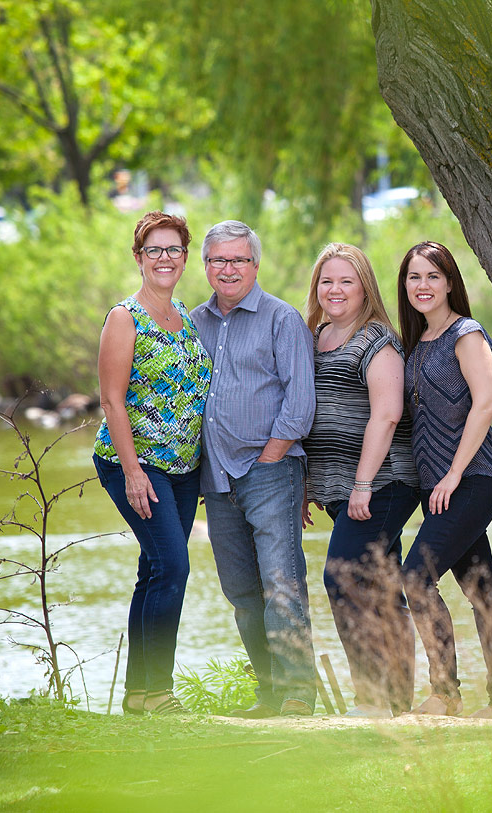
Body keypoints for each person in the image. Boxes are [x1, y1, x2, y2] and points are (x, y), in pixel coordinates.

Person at [190, 220, 318, 718]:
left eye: (238, 260)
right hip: (216, 479)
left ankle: (296, 695)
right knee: (243, 593)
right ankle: (268, 695)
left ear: (255, 265)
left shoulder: (281, 319)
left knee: (281, 585)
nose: (228, 269)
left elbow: (299, 403)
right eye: (218, 260)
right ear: (205, 267)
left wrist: (268, 459)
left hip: (270, 471)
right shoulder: (192, 322)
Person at [94, 210, 212, 715]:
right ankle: (160, 693)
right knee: (173, 566)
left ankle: (139, 696)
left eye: (174, 250)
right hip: (134, 463)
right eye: (154, 250)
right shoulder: (126, 317)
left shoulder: (186, 315)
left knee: (154, 570)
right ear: (139, 258)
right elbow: (112, 401)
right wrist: (134, 471)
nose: (165, 259)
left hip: (184, 469)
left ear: (185, 258)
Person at [397, 241, 492, 718]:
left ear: (450, 282)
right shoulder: (417, 343)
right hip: (439, 487)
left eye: (432, 276)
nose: (422, 286)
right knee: (482, 590)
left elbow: (486, 403)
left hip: (472, 480)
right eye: (414, 277)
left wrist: (452, 474)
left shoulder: (466, 333)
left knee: (414, 576)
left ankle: (445, 694)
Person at [303, 243, 420, 718]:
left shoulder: (378, 341)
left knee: (343, 576)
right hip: (341, 488)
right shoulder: (315, 338)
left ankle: (371, 698)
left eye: (346, 281)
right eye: (326, 281)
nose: (334, 290)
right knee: (380, 589)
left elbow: (388, 414)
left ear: (364, 287)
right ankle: (395, 703)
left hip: (384, 482)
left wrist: (363, 484)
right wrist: (311, 485)